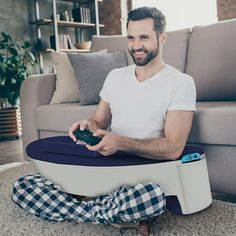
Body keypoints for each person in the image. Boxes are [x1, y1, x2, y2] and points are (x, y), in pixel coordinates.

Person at [12, 7, 196, 236]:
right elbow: (99, 120)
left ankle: (90, 201)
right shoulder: (115, 77)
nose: (136, 45)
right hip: (103, 167)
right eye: (131, 37)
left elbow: (173, 148)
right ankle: (108, 213)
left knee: (151, 197)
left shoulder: (181, 83)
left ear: (162, 38)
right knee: (23, 187)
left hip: (142, 178)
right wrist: (88, 126)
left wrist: (120, 142)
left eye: (144, 37)